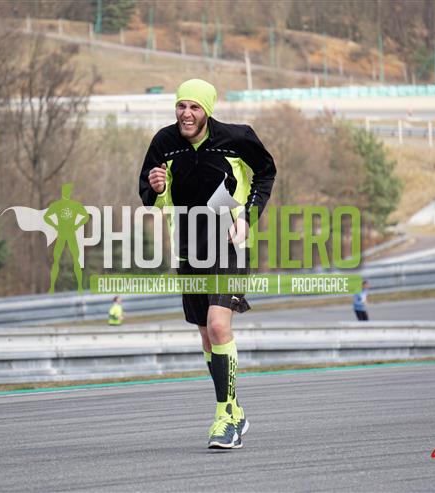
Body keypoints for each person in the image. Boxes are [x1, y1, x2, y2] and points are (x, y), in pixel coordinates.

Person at [139, 79, 276, 449]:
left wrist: (248, 217)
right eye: (181, 106)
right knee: (205, 334)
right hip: (188, 249)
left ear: (207, 110)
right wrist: (156, 187)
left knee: (218, 325)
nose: (186, 114)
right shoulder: (164, 142)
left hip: (229, 245)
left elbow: (266, 172)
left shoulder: (237, 137)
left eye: (194, 107)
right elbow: (149, 196)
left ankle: (225, 417)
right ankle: (235, 409)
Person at [43, 183, 89, 293]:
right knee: (57, 261)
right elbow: (46, 217)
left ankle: (79, 287)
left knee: (74, 260)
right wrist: (55, 225)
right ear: (65, 192)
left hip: (69, 234)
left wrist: (76, 225)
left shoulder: (70, 205)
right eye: (67, 191)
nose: (68, 193)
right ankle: (53, 287)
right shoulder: (62, 205)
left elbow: (86, 217)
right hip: (63, 234)